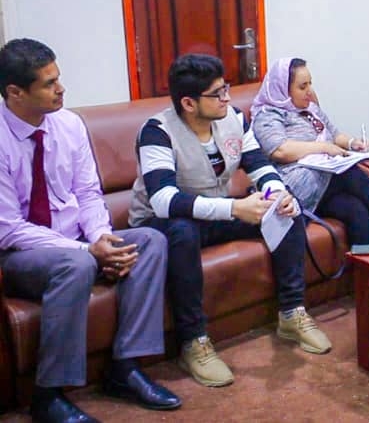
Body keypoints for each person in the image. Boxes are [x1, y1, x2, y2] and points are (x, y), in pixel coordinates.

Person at [0, 39, 180, 422]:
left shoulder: (68, 124)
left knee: (150, 241)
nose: (61, 89)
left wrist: (101, 237)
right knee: (76, 264)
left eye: (58, 78)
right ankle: (48, 396)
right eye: (49, 83)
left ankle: (125, 368)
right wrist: (87, 252)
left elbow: (87, 192)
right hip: (21, 256)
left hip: (80, 242)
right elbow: (9, 228)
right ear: (15, 92)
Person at [129, 53, 332, 389]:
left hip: (217, 211)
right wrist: (235, 209)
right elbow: (163, 201)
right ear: (189, 103)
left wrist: (278, 194)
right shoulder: (157, 132)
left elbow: (259, 166)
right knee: (182, 233)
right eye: (217, 93)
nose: (227, 98)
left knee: (286, 209)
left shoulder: (234, 118)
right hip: (161, 222)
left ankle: (292, 313)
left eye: (226, 89)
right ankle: (194, 342)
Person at [250, 57, 369, 317]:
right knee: (351, 173)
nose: (309, 91)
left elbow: (334, 134)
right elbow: (280, 150)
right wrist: (324, 148)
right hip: (290, 188)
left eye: (310, 83)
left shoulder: (310, 107)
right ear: (283, 89)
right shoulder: (268, 114)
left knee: (356, 209)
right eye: (302, 86)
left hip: (323, 185)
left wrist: (352, 144)